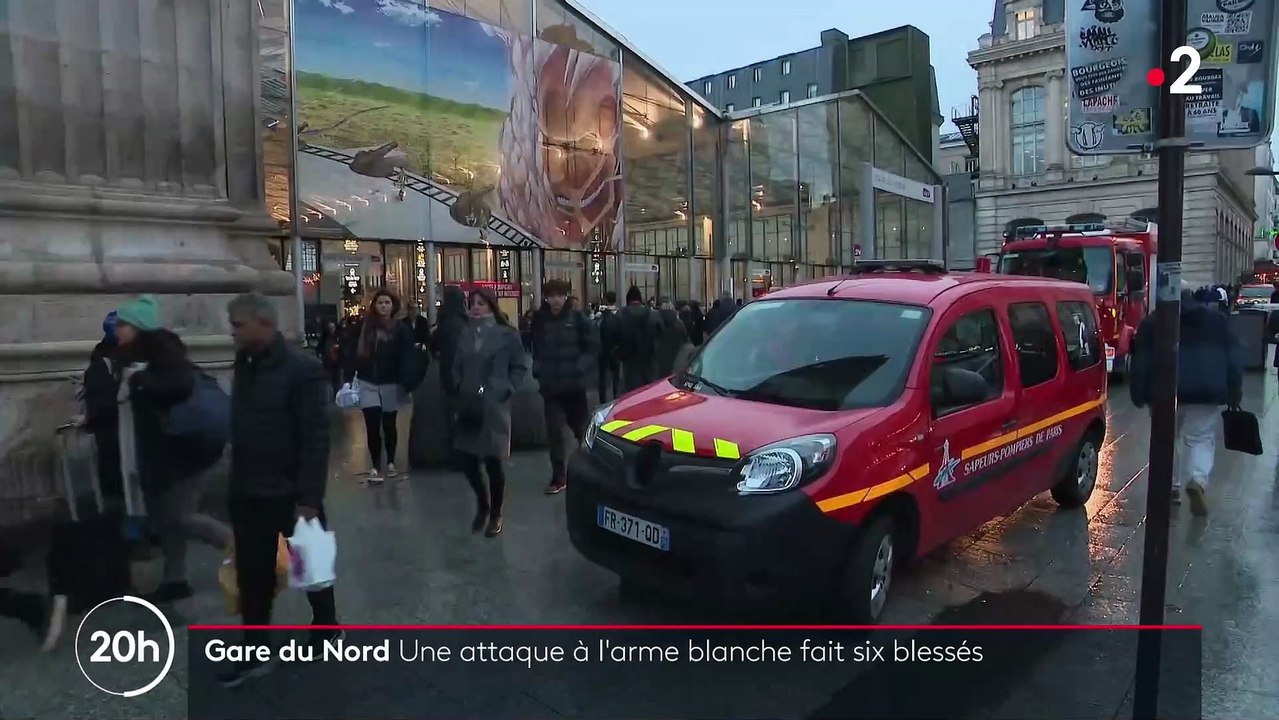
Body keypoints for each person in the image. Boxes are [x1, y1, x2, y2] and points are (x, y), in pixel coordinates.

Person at [223, 292, 337, 687]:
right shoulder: (245, 363)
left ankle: (326, 627)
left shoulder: (301, 369)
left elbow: (316, 436)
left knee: (312, 568)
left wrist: (309, 496)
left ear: (264, 324)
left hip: (291, 491)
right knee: (253, 575)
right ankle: (254, 649)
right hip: (249, 488)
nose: (232, 332)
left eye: (238, 325)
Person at [114, 295, 230, 602]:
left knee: (181, 517)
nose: (118, 329)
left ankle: (246, 548)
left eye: (124, 323)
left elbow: (176, 386)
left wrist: (140, 379)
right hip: (161, 452)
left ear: (139, 327)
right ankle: (175, 579)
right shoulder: (133, 355)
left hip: (186, 449)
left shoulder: (162, 350)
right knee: (166, 519)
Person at [1130, 287, 1242, 516]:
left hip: (1164, 391)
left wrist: (1139, 393)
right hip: (1207, 391)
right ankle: (1197, 480)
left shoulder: (1153, 322)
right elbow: (1234, 358)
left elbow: (1140, 361)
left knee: (1166, 439)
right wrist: (1234, 391)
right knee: (1200, 438)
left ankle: (1171, 487)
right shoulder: (1217, 320)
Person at [451, 287, 530, 537]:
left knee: (493, 461)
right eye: (473, 303)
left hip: (494, 404)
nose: (476, 307)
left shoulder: (507, 335)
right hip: (469, 402)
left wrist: (505, 387)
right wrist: (457, 383)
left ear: (492, 306)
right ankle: (482, 503)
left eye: (482, 303)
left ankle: (496, 512)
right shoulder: (465, 333)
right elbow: (457, 364)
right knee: (466, 459)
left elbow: (519, 366)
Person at [530, 279, 598, 494]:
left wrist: (581, 366)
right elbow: (536, 346)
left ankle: (592, 470)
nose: (556, 300)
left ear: (566, 296)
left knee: (582, 431)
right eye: (552, 296)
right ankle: (559, 476)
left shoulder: (578, 318)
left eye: (560, 295)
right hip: (551, 387)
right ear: (546, 298)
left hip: (574, 387)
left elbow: (594, 345)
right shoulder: (540, 320)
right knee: (555, 433)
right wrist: (538, 368)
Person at [347, 290, 415, 482]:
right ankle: (376, 465)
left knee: (389, 423)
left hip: (390, 382)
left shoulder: (401, 329)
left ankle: (391, 461)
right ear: (374, 306)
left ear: (393, 306)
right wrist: (351, 373)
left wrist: (406, 379)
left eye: (387, 303)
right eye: (380, 303)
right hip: (368, 380)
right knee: (372, 422)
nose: (383, 306)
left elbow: (407, 355)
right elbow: (354, 351)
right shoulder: (366, 327)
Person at [615, 286, 662, 393]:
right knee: (648, 390)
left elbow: (615, 335)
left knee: (630, 391)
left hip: (629, 359)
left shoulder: (621, 314)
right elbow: (661, 332)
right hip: (648, 358)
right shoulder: (652, 314)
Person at [596, 291, 621, 403]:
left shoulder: (601, 315)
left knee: (602, 377)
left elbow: (596, 329)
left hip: (603, 349)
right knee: (616, 376)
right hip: (615, 349)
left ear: (605, 299)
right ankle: (616, 398)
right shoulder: (619, 314)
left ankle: (603, 401)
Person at [655, 297, 689, 378]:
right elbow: (685, 341)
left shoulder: (655, 321)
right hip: (675, 357)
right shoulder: (679, 324)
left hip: (658, 359)